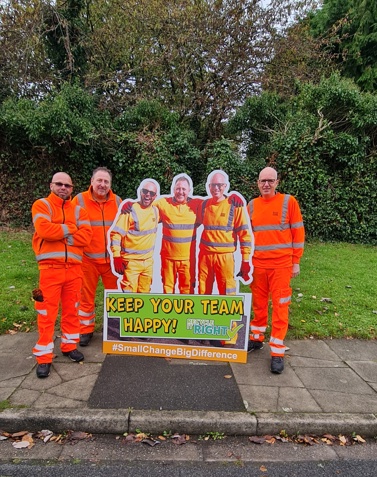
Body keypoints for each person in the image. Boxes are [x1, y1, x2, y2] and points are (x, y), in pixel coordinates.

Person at [31, 172, 92, 378]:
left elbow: (86, 237)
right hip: (50, 270)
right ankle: (44, 357)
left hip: (74, 270)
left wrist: (62, 234)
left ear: (72, 188)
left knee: (72, 311)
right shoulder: (41, 205)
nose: (63, 188)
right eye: (59, 184)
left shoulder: (79, 210)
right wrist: (70, 229)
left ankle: (69, 346)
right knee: (46, 314)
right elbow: (44, 230)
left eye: (68, 185)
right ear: (51, 185)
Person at [247, 166, 305, 374]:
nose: (266, 184)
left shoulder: (289, 202)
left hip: (281, 265)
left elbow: (298, 232)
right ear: (258, 183)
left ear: (277, 182)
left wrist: (295, 261)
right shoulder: (251, 205)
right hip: (258, 265)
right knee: (259, 304)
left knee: (280, 307)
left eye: (270, 180)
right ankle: (256, 338)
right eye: (263, 181)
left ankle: (277, 351)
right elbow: (247, 236)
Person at [72, 167, 122, 347]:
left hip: (111, 261)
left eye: (106, 182)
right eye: (99, 181)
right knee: (85, 297)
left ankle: (116, 329)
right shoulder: (78, 200)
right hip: (88, 259)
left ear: (110, 184)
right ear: (91, 181)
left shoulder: (118, 202)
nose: (102, 185)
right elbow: (70, 225)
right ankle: (85, 330)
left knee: (116, 297)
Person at [198, 170, 253, 296]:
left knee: (227, 291)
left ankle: (228, 316)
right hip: (205, 257)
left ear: (225, 186)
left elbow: (244, 234)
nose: (216, 188)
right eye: (213, 185)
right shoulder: (204, 205)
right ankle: (204, 316)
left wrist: (245, 260)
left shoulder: (234, 205)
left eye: (220, 185)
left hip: (225, 258)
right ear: (208, 186)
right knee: (203, 291)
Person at [155, 175, 203, 294]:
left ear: (189, 191)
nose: (180, 192)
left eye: (183, 189)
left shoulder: (197, 204)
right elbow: (144, 207)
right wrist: (128, 205)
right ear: (173, 189)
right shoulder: (163, 203)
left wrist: (231, 197)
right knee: (167, 290)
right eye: (178, 189)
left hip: (187, 259)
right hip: (168, 259)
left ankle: (186, 313)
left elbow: (217, 203)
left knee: (187, 291)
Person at [110, 179, 160, 293]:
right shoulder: (130, 211)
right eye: (145, 191)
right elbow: (116, 235)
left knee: (144, 296)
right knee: (129, 297)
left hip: (148, 263)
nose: (148, 195)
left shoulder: (156, 211)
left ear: (155, 196)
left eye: (151, 193)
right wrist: (116, 256)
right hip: (131, 263)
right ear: (140, 192)